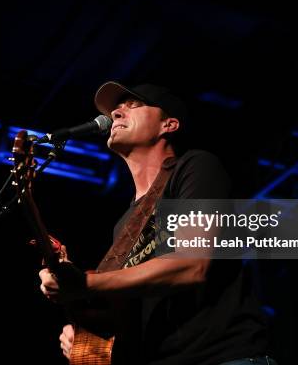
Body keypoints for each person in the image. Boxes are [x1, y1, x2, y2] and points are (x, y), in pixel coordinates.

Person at [39, 81, 274, 365]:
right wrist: (87, 336)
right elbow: (137, 310)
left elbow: (191, 265)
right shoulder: (123, 225)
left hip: (221, 356)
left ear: (169, 124)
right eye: (116, 109)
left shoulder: (195, 168)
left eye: (134, 105)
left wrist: (86, 283)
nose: (116, 113)